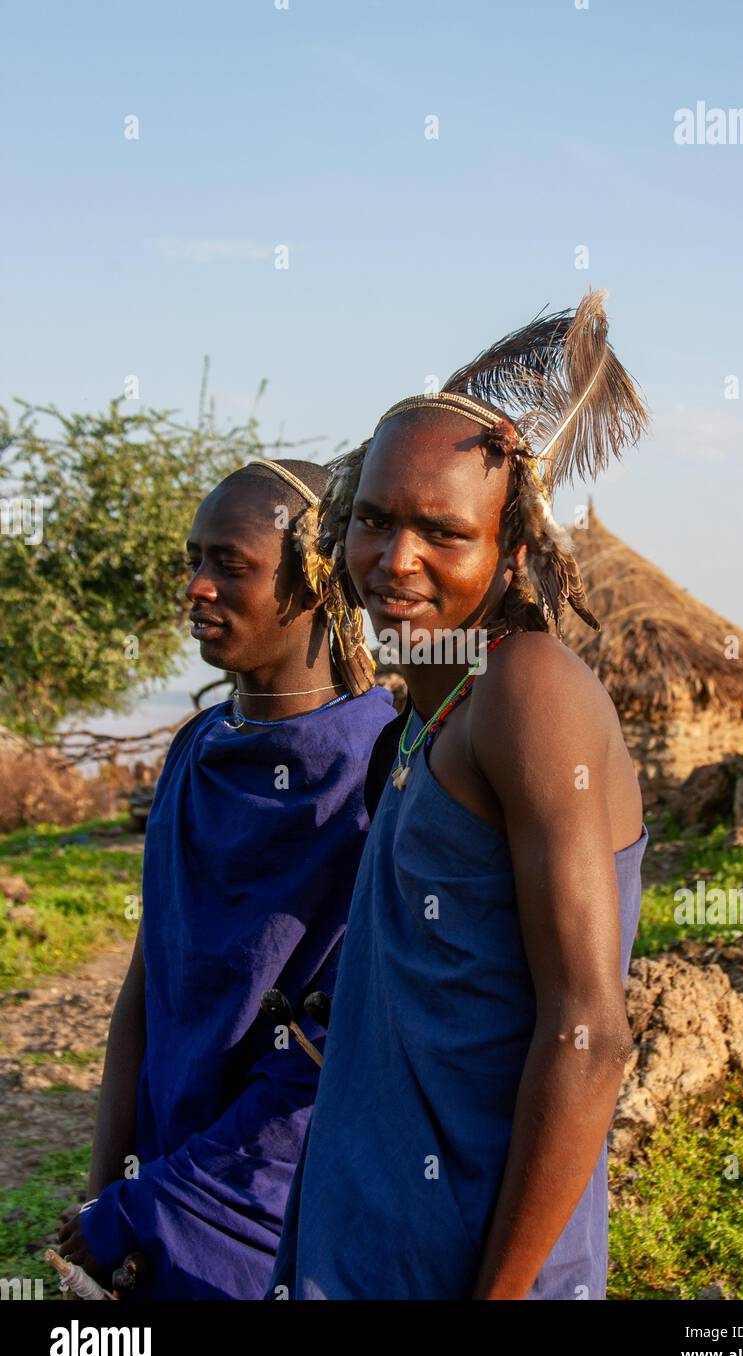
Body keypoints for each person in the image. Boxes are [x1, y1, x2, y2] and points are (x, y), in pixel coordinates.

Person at [268, 292, 651, 1300]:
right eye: (373, 521)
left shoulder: (525, 690)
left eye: (442, 532)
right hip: (369, 1243)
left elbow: (589, 1030)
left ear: (511, 553)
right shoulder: (419, 720)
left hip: (475, 1263)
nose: (395, 560)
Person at [58, 459, 395, 1299]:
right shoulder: (194, 750)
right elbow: (149, 984)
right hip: (156, 1188)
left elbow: (331, 1058)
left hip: (272, 1222)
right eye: (193, 561)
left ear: (320, 579)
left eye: (231, 565)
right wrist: (112, 1192)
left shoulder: (381, 775)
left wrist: (157, 1210)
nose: (198, 588)